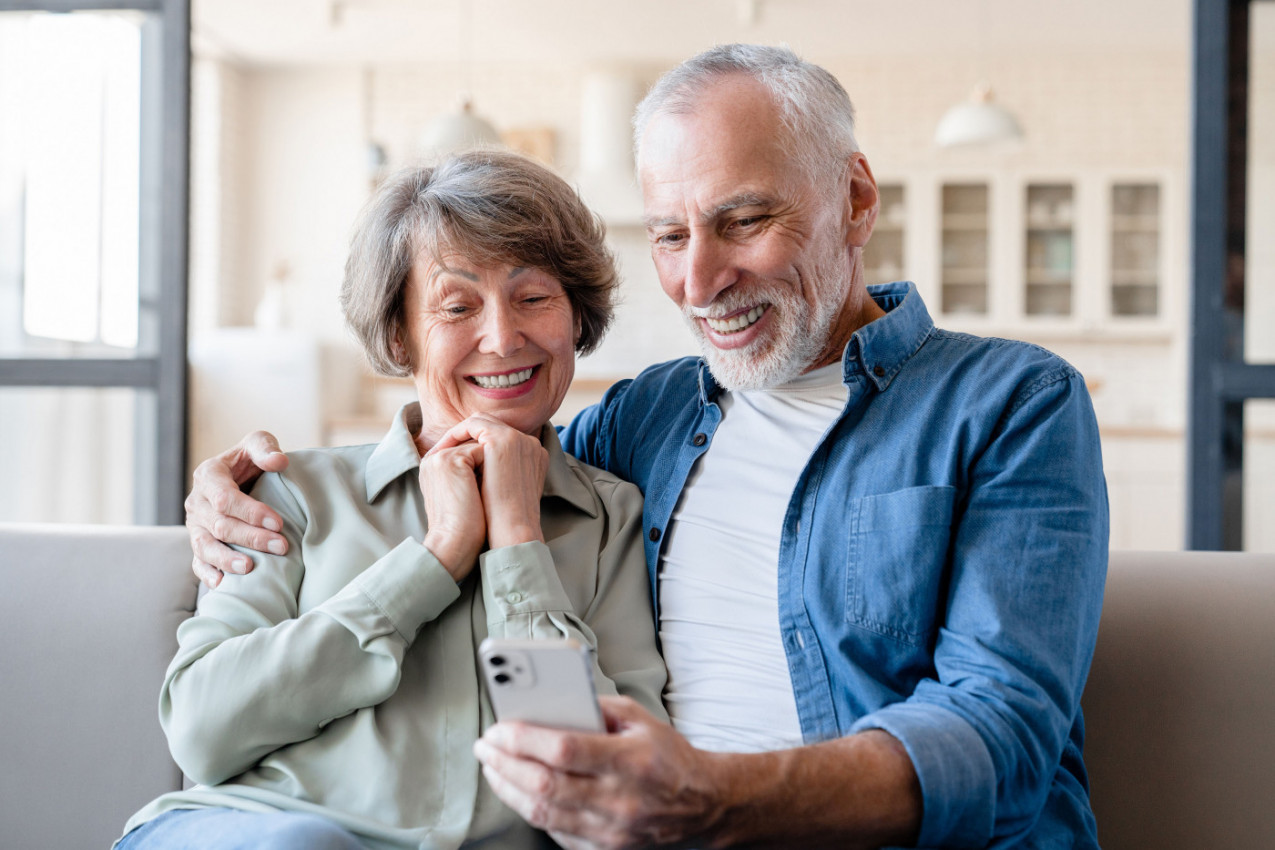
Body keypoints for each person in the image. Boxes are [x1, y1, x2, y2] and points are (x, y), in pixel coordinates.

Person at [185, 44, 1109, 849]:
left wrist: (710, 802)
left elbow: (1000, 733)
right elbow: (494, 451)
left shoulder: (1009, 403)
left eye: (743, 220)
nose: (700, 280)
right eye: (670, 235)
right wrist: (231, 490)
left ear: (855, 200)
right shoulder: (643, 424)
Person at [116, 150, 667, 850]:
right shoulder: (293, 492)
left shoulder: (611, 518)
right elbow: (203, 730)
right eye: (457, 306)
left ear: (574, 316)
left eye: (532, 298)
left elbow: (600, 786)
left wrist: (517, 545)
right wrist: (433, 563)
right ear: (400, 335)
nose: (502, 337)